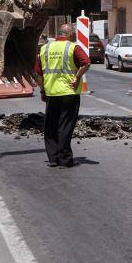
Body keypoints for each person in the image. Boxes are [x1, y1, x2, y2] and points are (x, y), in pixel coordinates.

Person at [35, 24, 90, 167]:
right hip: (69, 93)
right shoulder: (73, 47)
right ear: (70, 34)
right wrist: (77, 77)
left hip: (51, 93)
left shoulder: (45, 48)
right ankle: (65, 159)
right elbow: (86, 63)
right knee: (65, 126)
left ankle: (53, 158)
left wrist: (42, 90)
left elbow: (38, 74)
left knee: (51, 126)